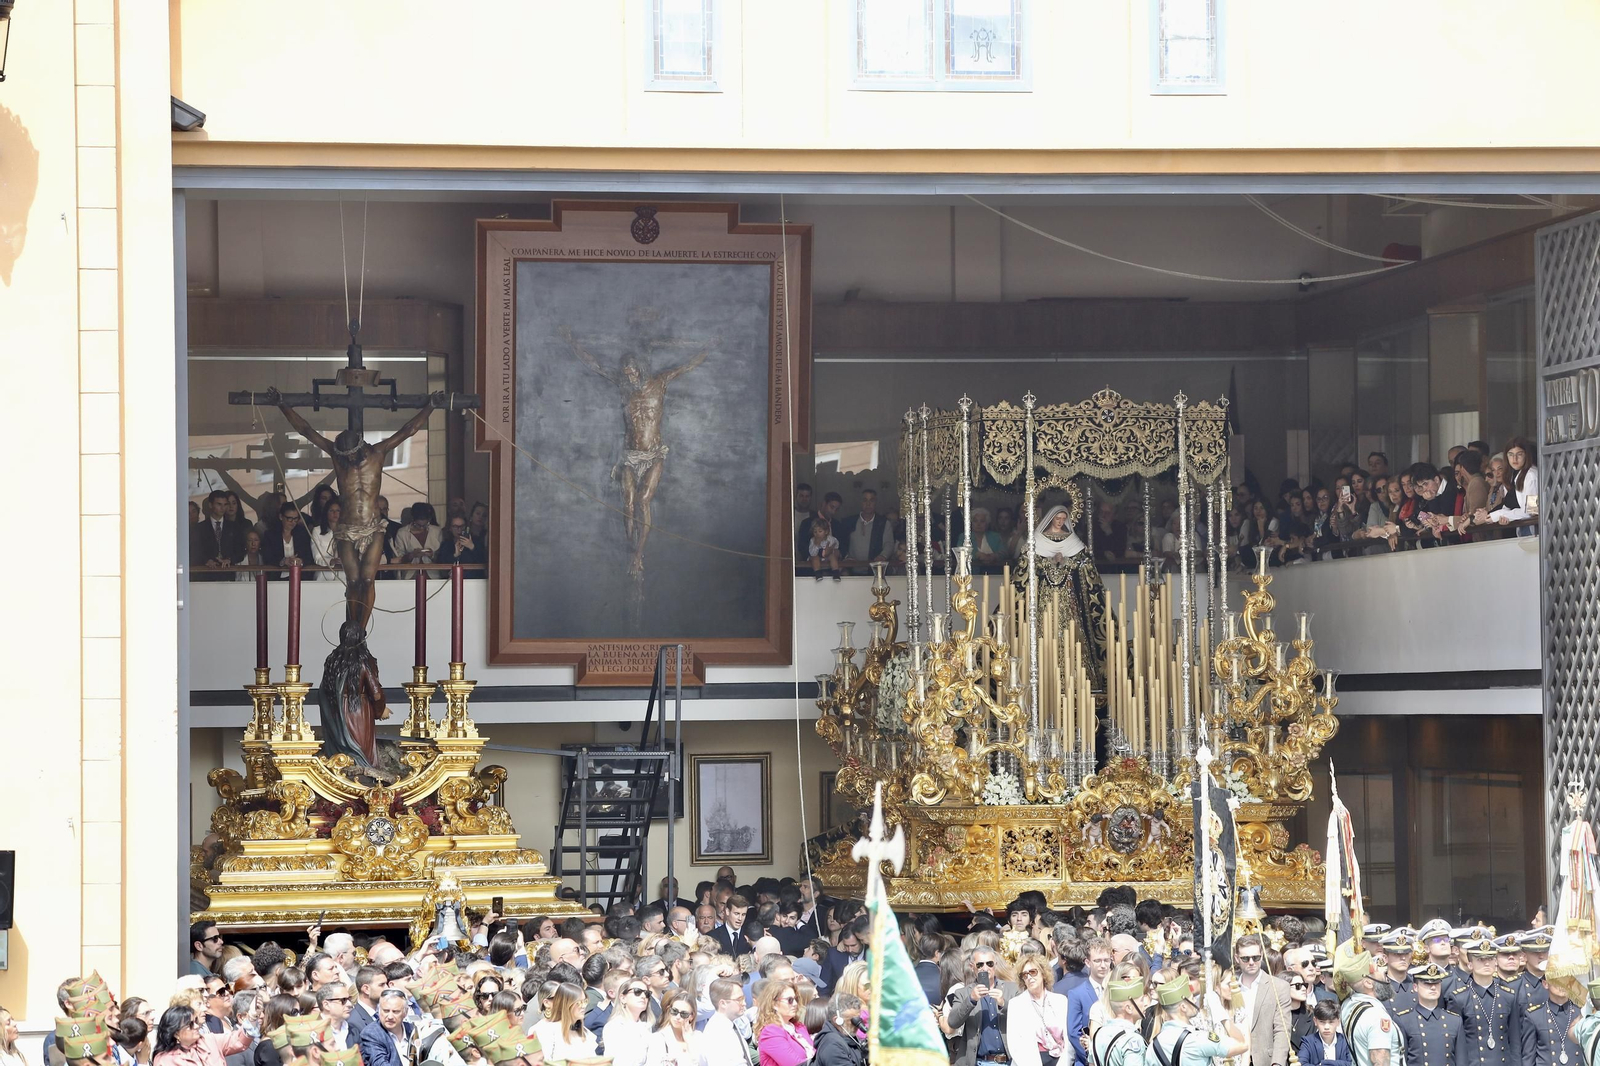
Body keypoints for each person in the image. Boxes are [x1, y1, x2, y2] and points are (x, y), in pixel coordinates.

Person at [1026, 505, 1109, 690]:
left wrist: (1066, 561)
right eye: (1058, 518)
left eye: (1064, 518)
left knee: (1071, 630)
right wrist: (1048, 562)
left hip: (1067, 592)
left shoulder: (1071, 539)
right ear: (1051, 518)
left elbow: (1084, 563)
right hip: (1046, 594)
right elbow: (1029, 563)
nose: (1060, 522)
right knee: (1044, 629)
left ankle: (1077, 679)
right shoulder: (1038, 538)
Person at [1150, 972, 1249, 1066]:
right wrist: (1221, 1014)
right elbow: (1242, 1044)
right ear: (1183, 1007)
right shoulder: (1198, 1039)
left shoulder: (1153, 1046)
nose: (1194, 1000)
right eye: (1191, 997)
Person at [1335, 941, 1401, 1066]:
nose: (1384, 973)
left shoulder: (1349, 1005)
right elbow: (1380, 1061)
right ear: (1368, 983)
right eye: (1378, 970)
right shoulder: (1376, 1016)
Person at [1393, 962, 1460, 1066]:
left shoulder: (1454, 1021)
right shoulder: (1404, 1020)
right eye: (1427, 984)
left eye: (1436, 983)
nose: (1433, 987)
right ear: (1415, 987)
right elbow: (1401, 1060)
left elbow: (1461, 1060)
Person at [1008, 956, 1071, 1066]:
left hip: (1060, 1061)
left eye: (1033, 972)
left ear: (1043, 973)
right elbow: (1014, 1045)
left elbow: (1068, 1039)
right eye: (1025, 974)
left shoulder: (1061, 1001)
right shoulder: (1016, 1004)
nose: (1029, 977)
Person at [152, 1007, 250, 1066]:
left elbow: (237, 1040)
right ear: (176, 1033)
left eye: (195, 1021)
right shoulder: (164, 1060)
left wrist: (252, 1018)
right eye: (190, 1025)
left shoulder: (209, 1040)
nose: (196, 1026)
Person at [1087, 976, 1149, 1066]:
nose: (1145, 1004)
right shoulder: (1132, 1039)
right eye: (1141, 1000)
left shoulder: (1099, 1033)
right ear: (1129, 1008)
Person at [529, 984, 594, 1064]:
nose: (583, 1006)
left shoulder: (585, 1033)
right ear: (566, 1004)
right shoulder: (546, 1032)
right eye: (579, 1003)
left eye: (585, 1001)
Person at [755, 980, 812, 1066]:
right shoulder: (771, 1032)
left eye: (796, 999)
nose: (795, 1004)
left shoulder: (799, 1027)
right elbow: (794, 1064)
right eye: (790, 1000)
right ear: (774, 1004)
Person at [838, 489, 893, 574]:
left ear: (876, 502)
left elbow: (889, 543)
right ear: (860, 502)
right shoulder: (849, 522)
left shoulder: (883, 523)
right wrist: (846, 557)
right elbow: (841, 542)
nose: (868, 504)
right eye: (865, 500)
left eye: (872, 500)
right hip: (851, 570)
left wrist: (882, 556)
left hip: (875, 571)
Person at [600, 977, 651, 1066]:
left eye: (647, 994)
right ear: (623, 998)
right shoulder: (614, 1027)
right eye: (637, 992)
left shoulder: (647, 1027)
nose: (643, 996)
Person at [359, 989, 415, 1066]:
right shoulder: (371, 1033)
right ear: (379, 1010)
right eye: (386, 1011)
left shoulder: (413, 1030)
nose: (390, 1016)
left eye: (395, 1011)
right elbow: (379, 1063)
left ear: (405, 1012)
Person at [642, 989, 697, 1066]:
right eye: (674, 1011)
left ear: (691, 1016)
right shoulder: (658, 1038)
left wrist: (690, 1042)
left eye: (684, 1014)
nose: (678, 1017)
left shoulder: (698, 1038)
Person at [392, 503, 443, 580]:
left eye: (425, 525)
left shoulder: (437, 531)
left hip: (433, 576)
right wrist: (411, 555)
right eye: (418, 525)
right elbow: (398, 557)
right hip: (410, 576)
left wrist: (432, 555)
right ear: (413, 519)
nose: (422, 528)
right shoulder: (402, 533)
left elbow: (443, 555)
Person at [262, 503, 314, 575]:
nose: (293, 522)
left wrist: (301, 561)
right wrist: (283, 561)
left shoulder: (302, 533)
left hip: (299, 576)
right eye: (289, 519)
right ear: (281, 517)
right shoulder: (270, 534)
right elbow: (267, 557)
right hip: (276, 578)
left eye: (296, 519)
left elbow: (309, 556)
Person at [1299, 999, 1352, 1066]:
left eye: (1331, 1022)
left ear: (1338, 1022)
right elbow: (1302, 1063)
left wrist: (1325, 1063)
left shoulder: (1346, 1042)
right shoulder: (1307, 1042)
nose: (1326, 1027)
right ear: (1315, 1021)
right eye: (1322, 1022)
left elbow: (1353, 1063)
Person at [310, 498, 343, 580]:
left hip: (343, 575)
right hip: (323, 575)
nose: (335, 513)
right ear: (326, 513)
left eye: (338, 510)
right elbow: (317, 557)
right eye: (331, 511)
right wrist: (331, 561)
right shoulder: (317, 531)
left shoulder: (347, 532)